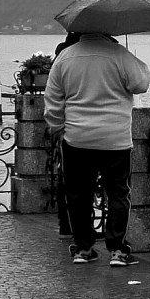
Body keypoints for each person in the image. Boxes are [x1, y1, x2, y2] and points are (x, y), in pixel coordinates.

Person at [43, 32, 150, 265]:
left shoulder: (64, 58)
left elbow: (52, 99)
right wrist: (125, 54)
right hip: (115, 138)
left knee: (78, 194)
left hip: (77, 138)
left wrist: (57, 127)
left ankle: (83, 248)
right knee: (118, 193)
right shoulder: (119, 55)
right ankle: (118, 250)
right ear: (106, 30)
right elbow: (141, 83)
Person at [51, 32, 82, 238]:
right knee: (76, 180)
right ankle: (74, 226)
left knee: (67, 177)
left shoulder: (62, 54)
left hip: (65, 124)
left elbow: (52, 94)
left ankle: (67, 224)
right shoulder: (71, 55)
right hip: (76, 126)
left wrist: (55, 125)